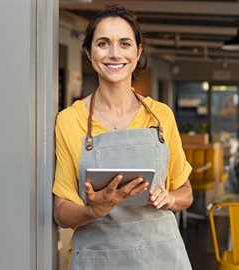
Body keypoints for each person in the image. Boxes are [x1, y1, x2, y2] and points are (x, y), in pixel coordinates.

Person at [52, 5, 193, 269]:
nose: (115, 54)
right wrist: (93, 210)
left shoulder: (161, 116)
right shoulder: (69, 120)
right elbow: (61, 211)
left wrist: (170, 199)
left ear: (138, 52)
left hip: (160, 256)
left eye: (125, 43)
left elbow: (185, 192)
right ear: (88, 52)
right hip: (99, 259)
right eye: (103, 43)